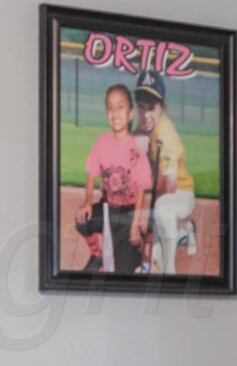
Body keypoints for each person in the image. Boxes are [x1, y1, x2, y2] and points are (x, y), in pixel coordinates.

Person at [76, 83, 149, 273]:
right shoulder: (102, 142)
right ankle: (97, 254)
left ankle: (142, 244)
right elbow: (92, 173)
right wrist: (87, 201)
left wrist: (135, 225)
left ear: (131, 113)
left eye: (120, 106)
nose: (114, 112)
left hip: (128, 215)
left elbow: (141, 189)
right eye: (109, 107)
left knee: (122, 271)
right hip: (107, 209)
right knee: (82, 220)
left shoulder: (137, 148)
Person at [137, 79, 200, 274]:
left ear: (162, 107)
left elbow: (169, 185)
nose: (146, 114)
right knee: (154, 253)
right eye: (141, 107)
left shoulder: (165, 133)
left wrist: (150, 216)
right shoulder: (150, 127)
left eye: (152, 107)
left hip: (180, 194)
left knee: (162, 212)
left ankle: (170, 272)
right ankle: (185, 231)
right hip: (166, 195)